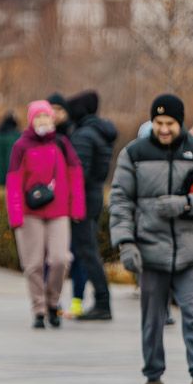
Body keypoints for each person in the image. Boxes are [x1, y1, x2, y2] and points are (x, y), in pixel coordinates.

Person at [109, 94, 193, 384]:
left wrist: (187, 205)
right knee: (152, 321)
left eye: (170, 124)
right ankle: (153, 382)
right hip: (151, 252)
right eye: (159, 123)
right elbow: (121, 201)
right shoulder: (133, 154)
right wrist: (126, 243)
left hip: (192, 250)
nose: (164, 129)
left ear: (180, 123)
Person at [6, 100, 85, 329]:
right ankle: (39, 308)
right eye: (38, 117)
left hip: (59, 211)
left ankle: (53, 301)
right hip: (31, 213)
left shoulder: (62, 143)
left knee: (60, 259)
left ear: (53, 119)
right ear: (31, 120)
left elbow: (75, 175)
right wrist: (16, 214)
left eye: (46, 117)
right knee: (33, 264)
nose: (42, 121)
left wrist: (77, 207)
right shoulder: (21, 146)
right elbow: (13, 181)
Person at [65, 91, 117, 321]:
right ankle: (101, 300)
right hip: (95, 195)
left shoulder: (84, 135)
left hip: (84, 199)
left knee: (87, 251)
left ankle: (102, 302)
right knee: (89, 249)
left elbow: (78, 173)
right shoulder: (99, 132)